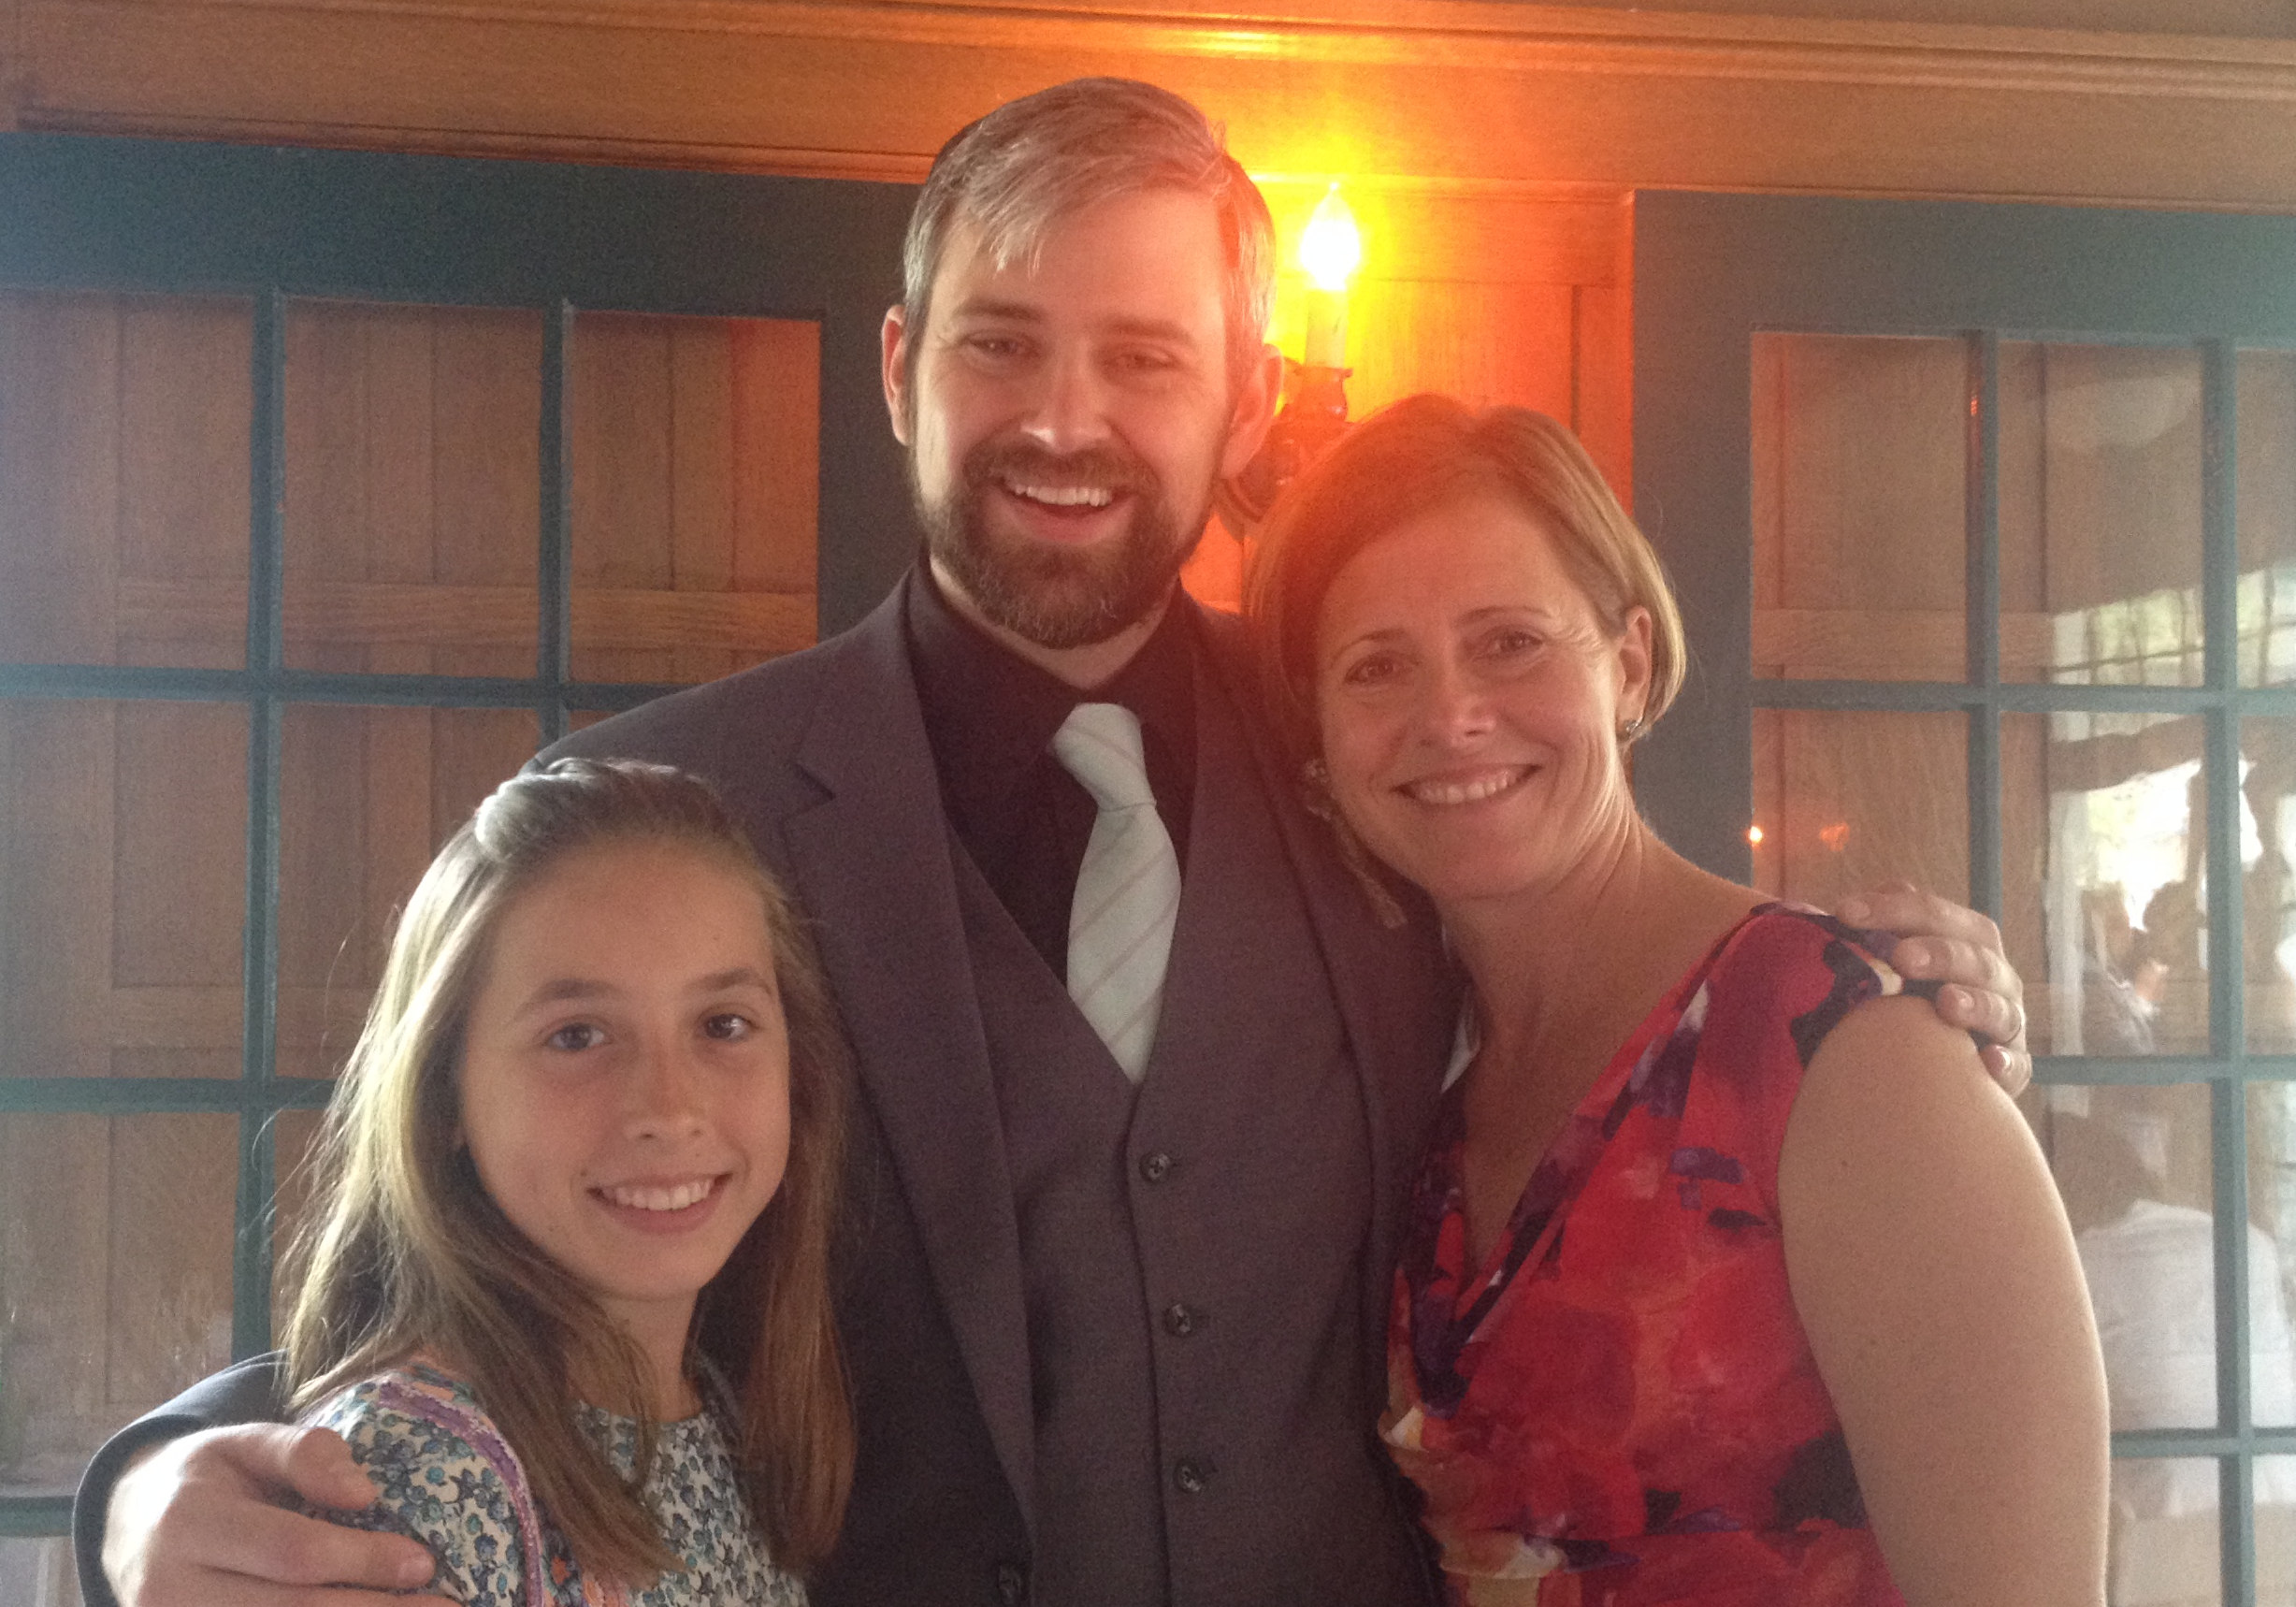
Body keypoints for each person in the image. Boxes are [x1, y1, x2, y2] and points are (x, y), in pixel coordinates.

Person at [76, 80, 2032, 1607]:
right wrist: (152, 1482)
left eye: (1145, 357)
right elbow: (426, 1240)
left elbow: (1624, 1007)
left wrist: (1879, 1010)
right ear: (901, 367)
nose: (1064, 419)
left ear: (1246, 397)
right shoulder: (661, 805)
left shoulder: (1374, 750)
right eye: (1002, 345)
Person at [1247, 394, 2108, 1605]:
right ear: (1322, 735)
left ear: (1629, 662)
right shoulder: (1408, 1066)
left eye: (1509, 642)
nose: (1449, 716)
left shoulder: (1841, 1050)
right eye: (1376, 666)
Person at [278, 758, 850, 1603]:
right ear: (443, 1095)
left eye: (722, 1025)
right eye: (577, 1035)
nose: (670, 1109)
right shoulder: (411, 1482)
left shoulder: (720, 1412)